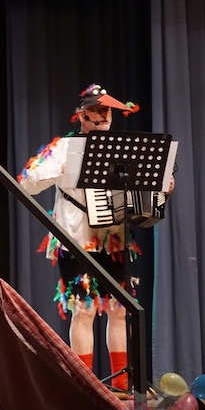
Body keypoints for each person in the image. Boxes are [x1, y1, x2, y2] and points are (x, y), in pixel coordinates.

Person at [18, 83, 172, 392]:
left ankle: (121, 384)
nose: (103, 116)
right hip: (75, 239)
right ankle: (85, 384)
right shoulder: (63, 146)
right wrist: (61, 169)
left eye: (107, 111)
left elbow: (142, 192)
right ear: (82, 115)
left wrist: (162, 188)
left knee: (119, 309)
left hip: (113, 238)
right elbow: (27, 182)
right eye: (97, 111)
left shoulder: (123, 149)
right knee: (84, 309)